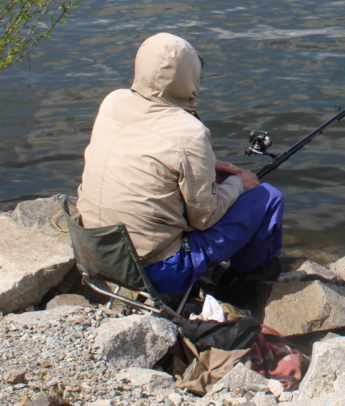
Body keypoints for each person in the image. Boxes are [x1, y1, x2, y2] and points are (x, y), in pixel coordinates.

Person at [77, 32, 283, 297]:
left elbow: (145, 153)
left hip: (94, 251)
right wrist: (238, 184)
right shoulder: (190, 132)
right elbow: (204, 219)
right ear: (189, 78)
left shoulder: (113, 101)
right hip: (154, 272)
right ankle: (243, 280)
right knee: (269, 197)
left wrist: (206, 165)